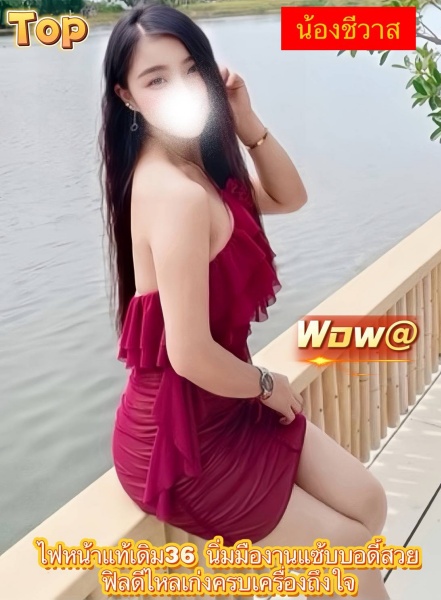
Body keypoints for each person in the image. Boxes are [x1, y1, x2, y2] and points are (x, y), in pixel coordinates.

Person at [99, 3, 390, 598]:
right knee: (351, 562)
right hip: (181, 442)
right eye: (156, 79)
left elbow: (289, 196)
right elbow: (188, 354)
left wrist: (245, 120)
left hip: (225, 404)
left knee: (368, 503)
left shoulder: (199, 169)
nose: (183, 88)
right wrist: (265, 384)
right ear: (127, 96)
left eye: (192, 68)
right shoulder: (175, 194)